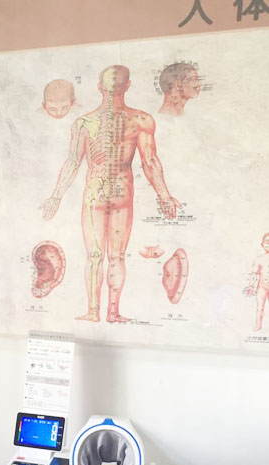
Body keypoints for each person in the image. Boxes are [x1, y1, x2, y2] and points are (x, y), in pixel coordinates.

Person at [41, 65, 179, 322]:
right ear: (128, 86)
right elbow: (149, 162)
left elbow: (73, 162)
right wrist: (164, 196)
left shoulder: (84, 122)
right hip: (121, 193)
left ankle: (94, 312)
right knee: (116, 257)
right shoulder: (140, 120)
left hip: (95, 194)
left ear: (99, 87)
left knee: (94, 257)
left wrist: (56, 196)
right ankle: (112, 312)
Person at [245, 233, 269, 331]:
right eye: (267, 242)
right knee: (260, 307)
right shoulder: (259, 259)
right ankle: (258, 326)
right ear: (262, 244)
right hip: (262, 287)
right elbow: (254, 274)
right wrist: (250, 286)